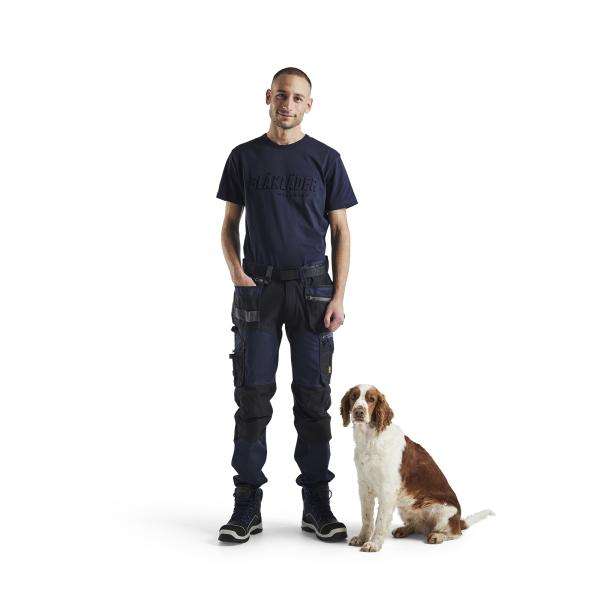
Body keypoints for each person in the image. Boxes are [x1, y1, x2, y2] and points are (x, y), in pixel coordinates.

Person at [216, 67, 358, 544]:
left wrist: (338, 294)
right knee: (252, 398)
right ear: (268, 97)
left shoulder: (326, 159)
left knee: (314, 401)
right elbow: (228, 223)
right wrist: (235, 269)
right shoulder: (243, 157)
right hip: (257, 289)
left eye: (298, 98)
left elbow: (340, 230)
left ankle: (317, 503)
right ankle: (246, 504)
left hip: (313, 291)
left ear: (308, 105)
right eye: (281, 95)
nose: (288, 104)